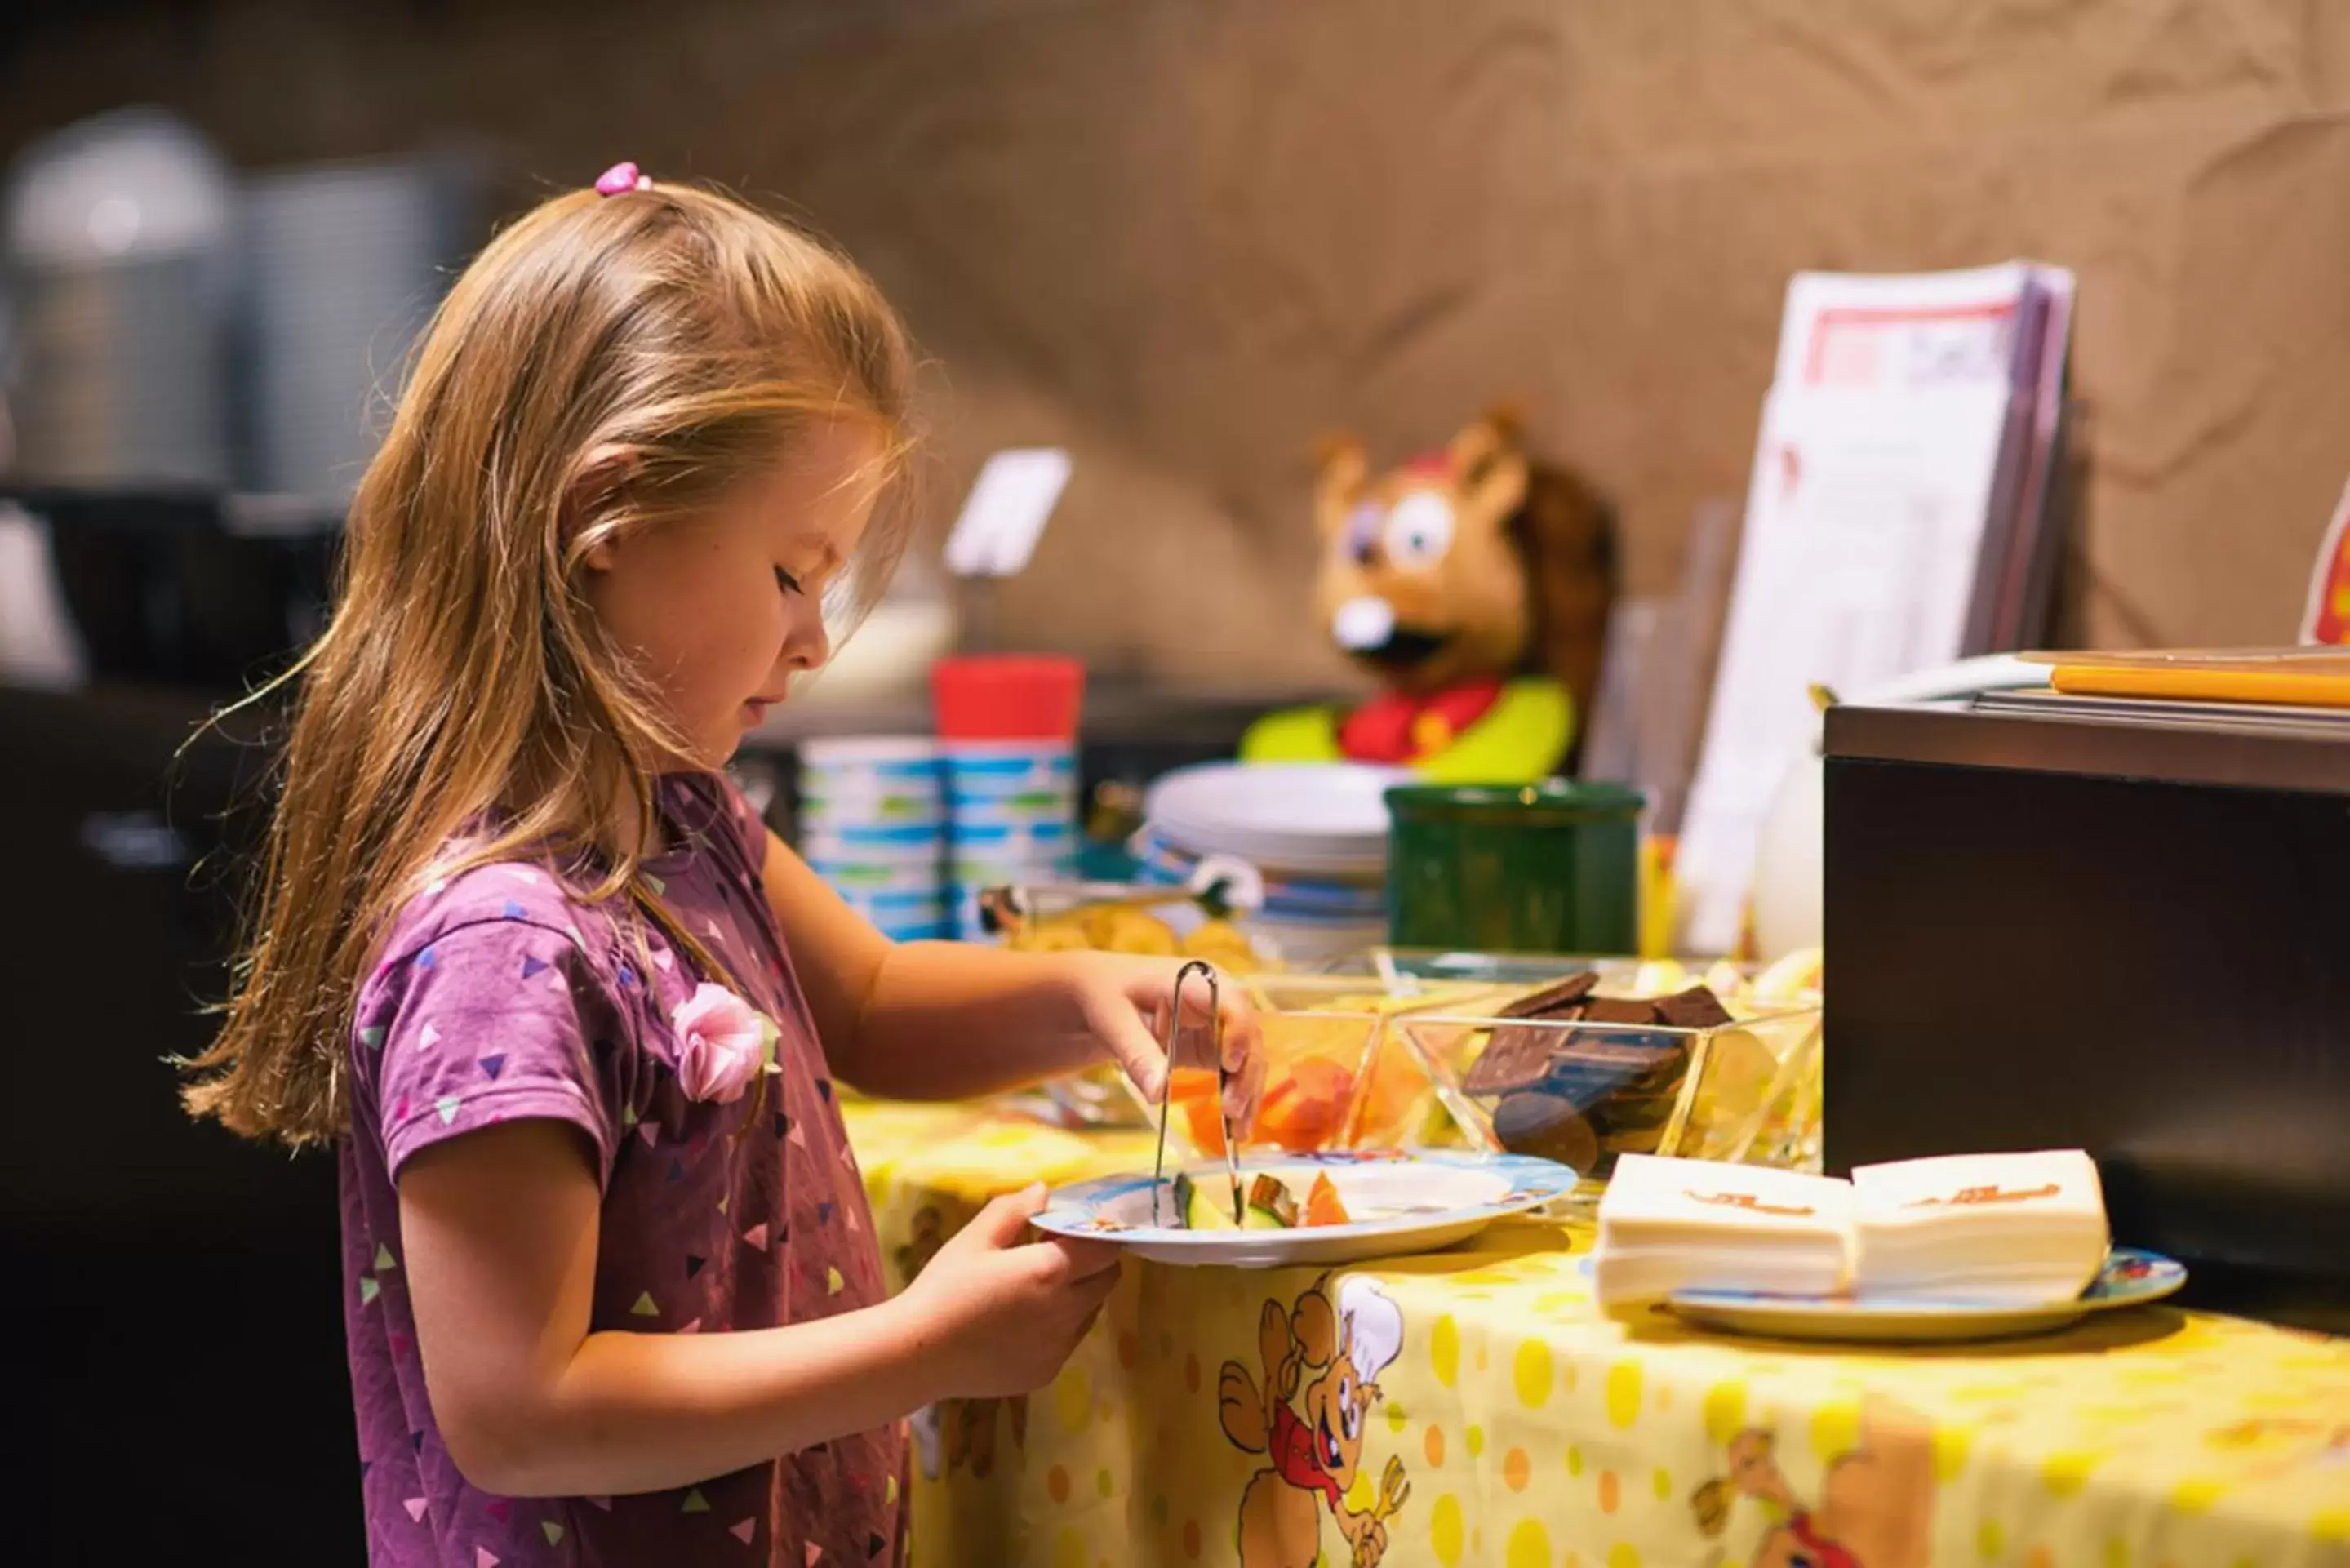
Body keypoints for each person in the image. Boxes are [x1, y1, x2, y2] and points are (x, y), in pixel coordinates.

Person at [179, 164, 1264, 1568]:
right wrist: (919, 1349)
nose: (816, 641)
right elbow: (521, 1409)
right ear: (606, 522)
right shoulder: (503, 948)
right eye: (790, 574)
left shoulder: (678, 819)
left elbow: (866, 999)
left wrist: (1075, 994)